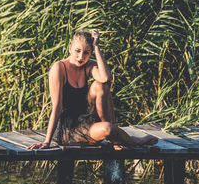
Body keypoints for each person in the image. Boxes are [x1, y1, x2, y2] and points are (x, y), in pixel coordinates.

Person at [28, 29, 157, 150]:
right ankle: (135, 141)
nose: (81, 57)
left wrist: (96, 47)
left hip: (88, 119)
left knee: (100, 85)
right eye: (77, 51)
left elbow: (105, 78)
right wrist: (46, 142)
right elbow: (57, 107)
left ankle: (114, 139)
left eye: (86, 52)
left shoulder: (88, 65)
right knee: (107, 129)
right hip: (70, 128)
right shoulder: (59, 68)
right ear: (70, 48)